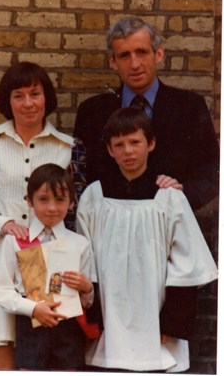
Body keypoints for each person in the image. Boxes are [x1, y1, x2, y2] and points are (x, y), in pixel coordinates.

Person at [0, 62, 86, 370]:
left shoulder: (68, 146)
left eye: (35, 94)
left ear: (46, 97)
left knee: (48, 348)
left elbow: (76, 209)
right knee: (3, 339)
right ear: (7, 101)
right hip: (0, 254)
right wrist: (3, 223)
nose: (27, 103)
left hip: (51, 260)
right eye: (18, 95)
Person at [76, 108, 218, 373]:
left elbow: (187, 263)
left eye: (135, 142)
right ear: (109, 150)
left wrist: (173, 321)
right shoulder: (94, 196)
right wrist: (94, 315)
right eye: (119, 144)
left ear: (150, 144)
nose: (128, 151)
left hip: (157, 317)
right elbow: (85, 259)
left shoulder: (169, 198)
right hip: (109, 313)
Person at [74, 16, 219, 210]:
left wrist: (182, 195)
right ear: (113, 62)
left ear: (158, 54)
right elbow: (81, 177)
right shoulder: (91, 111)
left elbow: (212, 172)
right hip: (110, 224)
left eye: (141, 52)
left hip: (171, 224)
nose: (135, 64)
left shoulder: (190, 107)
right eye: (124, 55)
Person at [0, 163, 95, 371]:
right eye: (43, 199)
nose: (52, 207)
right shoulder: (16, 242)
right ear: (29, 201)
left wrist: (87, 288)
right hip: (31, 323)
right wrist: (34, 308)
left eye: (60, 199)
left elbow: (87, 301)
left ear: (72, 203)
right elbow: (0, 289)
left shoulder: (80, 243)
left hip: (69, 326)